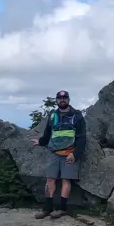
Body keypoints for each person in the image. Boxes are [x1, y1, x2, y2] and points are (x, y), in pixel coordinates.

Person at [30, 90, 86, 219]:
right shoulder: (52, 115)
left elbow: (82, 137)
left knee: (66, 180)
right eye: (60, 98)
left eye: (65, 98)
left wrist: (75, 154)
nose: (62, 100)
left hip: (69, 153)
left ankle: (62, 208)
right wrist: (41, 142)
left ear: (68, 100)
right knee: (50, 179)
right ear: (57, 101)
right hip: (53, 152)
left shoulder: (77, 116)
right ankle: (47, 208)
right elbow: (48, 132)